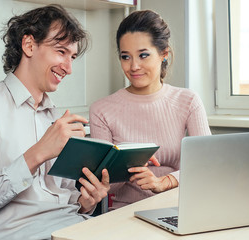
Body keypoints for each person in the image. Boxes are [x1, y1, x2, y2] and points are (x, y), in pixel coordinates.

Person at [0, 4, 110, 240]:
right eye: (61, 52)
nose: (69, 68)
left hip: (71, 226)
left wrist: (86, 202)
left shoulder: (55, 117)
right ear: (29, 45)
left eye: (72, 57)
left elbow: (60, 196)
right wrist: (37, 154)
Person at [89, 9, 211, 210]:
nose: (134, 66)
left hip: (180, 208)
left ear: (164, 54)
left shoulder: (188, 101)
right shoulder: (102, 110)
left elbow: (207, 165)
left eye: (143, 55)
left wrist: (164, 182)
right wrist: (127, 164)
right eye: (125, 57)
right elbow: (104, 187)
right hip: (125, 213)